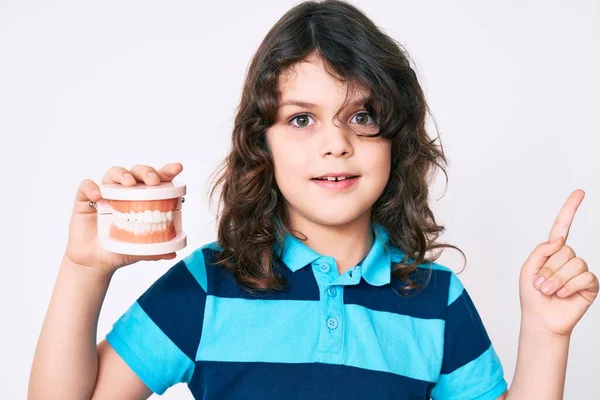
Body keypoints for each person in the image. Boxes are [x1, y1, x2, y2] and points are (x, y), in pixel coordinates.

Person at [28, 1, 597, 399]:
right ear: (261, 143)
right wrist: (84, 269)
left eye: (362, 117)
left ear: (397, 141)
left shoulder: (437, 301)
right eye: (302, 118)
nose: (336, 143)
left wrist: (547, 335)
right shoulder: (208, 285)